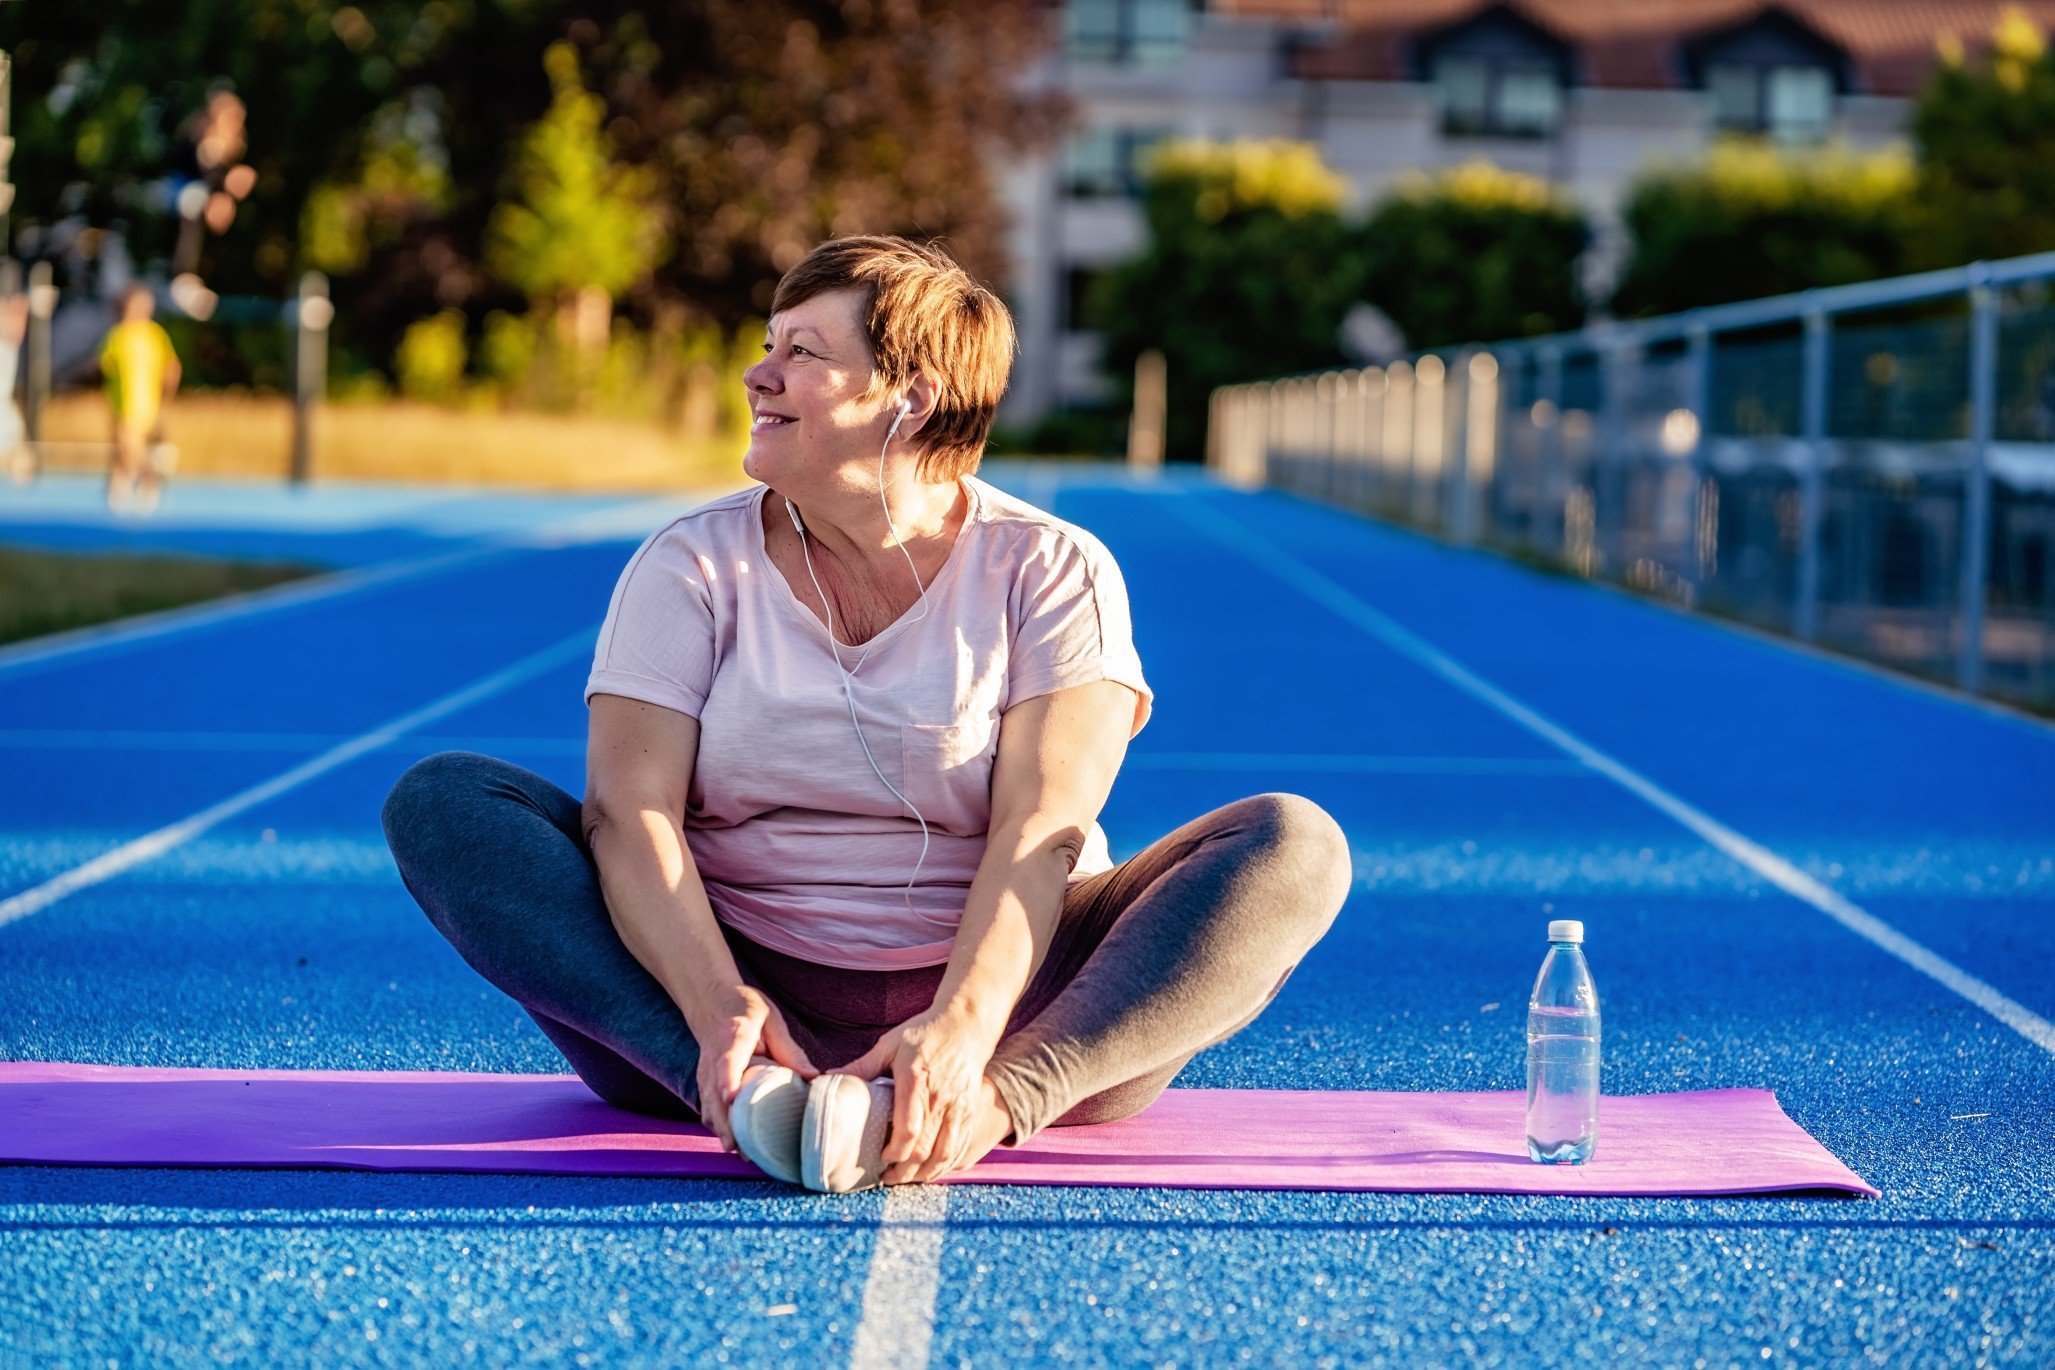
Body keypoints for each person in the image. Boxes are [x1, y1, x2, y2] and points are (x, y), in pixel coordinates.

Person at [381, 235, 1352, 1193]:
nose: (758, 375)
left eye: (801, 352)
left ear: (912, 394)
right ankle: (737, 1089)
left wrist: (968, 1036)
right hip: (715, 983)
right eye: (768, 344)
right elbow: (628, 815)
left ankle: (985, 1107)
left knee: (1294, 842)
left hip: (1021, 1001)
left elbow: (1040, 829)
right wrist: (720, 1009)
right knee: (446, 800)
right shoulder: (688, 564)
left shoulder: (1054, 568)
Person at [100, 283, 181, 515]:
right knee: (122, 447)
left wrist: (166, 396)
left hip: (142, 401)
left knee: (129, 442)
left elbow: (171, 367)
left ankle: (150, 477)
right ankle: (118, 489)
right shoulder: (117, 335)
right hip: (120, 402)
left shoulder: (154, 334)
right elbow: (105, 366)